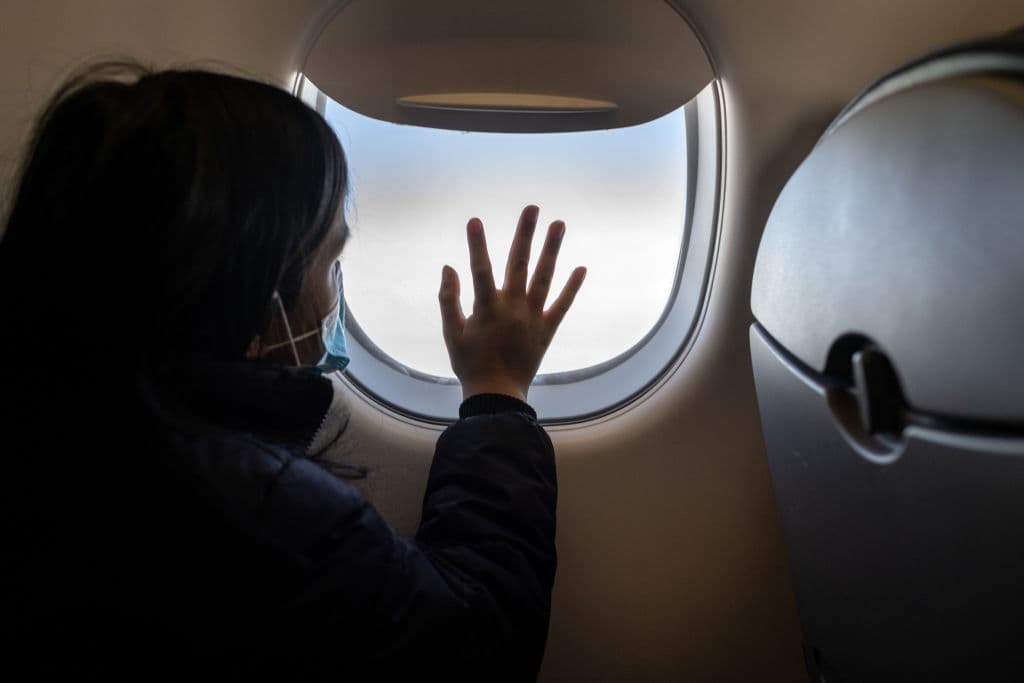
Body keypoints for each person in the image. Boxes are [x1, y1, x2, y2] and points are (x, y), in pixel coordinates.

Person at [0, 63, 586, 680]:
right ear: (255, 295)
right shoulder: (260, 516)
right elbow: (478, 643)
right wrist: (497, 396)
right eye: (330, 260)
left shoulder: (49, 427)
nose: (333, 297)